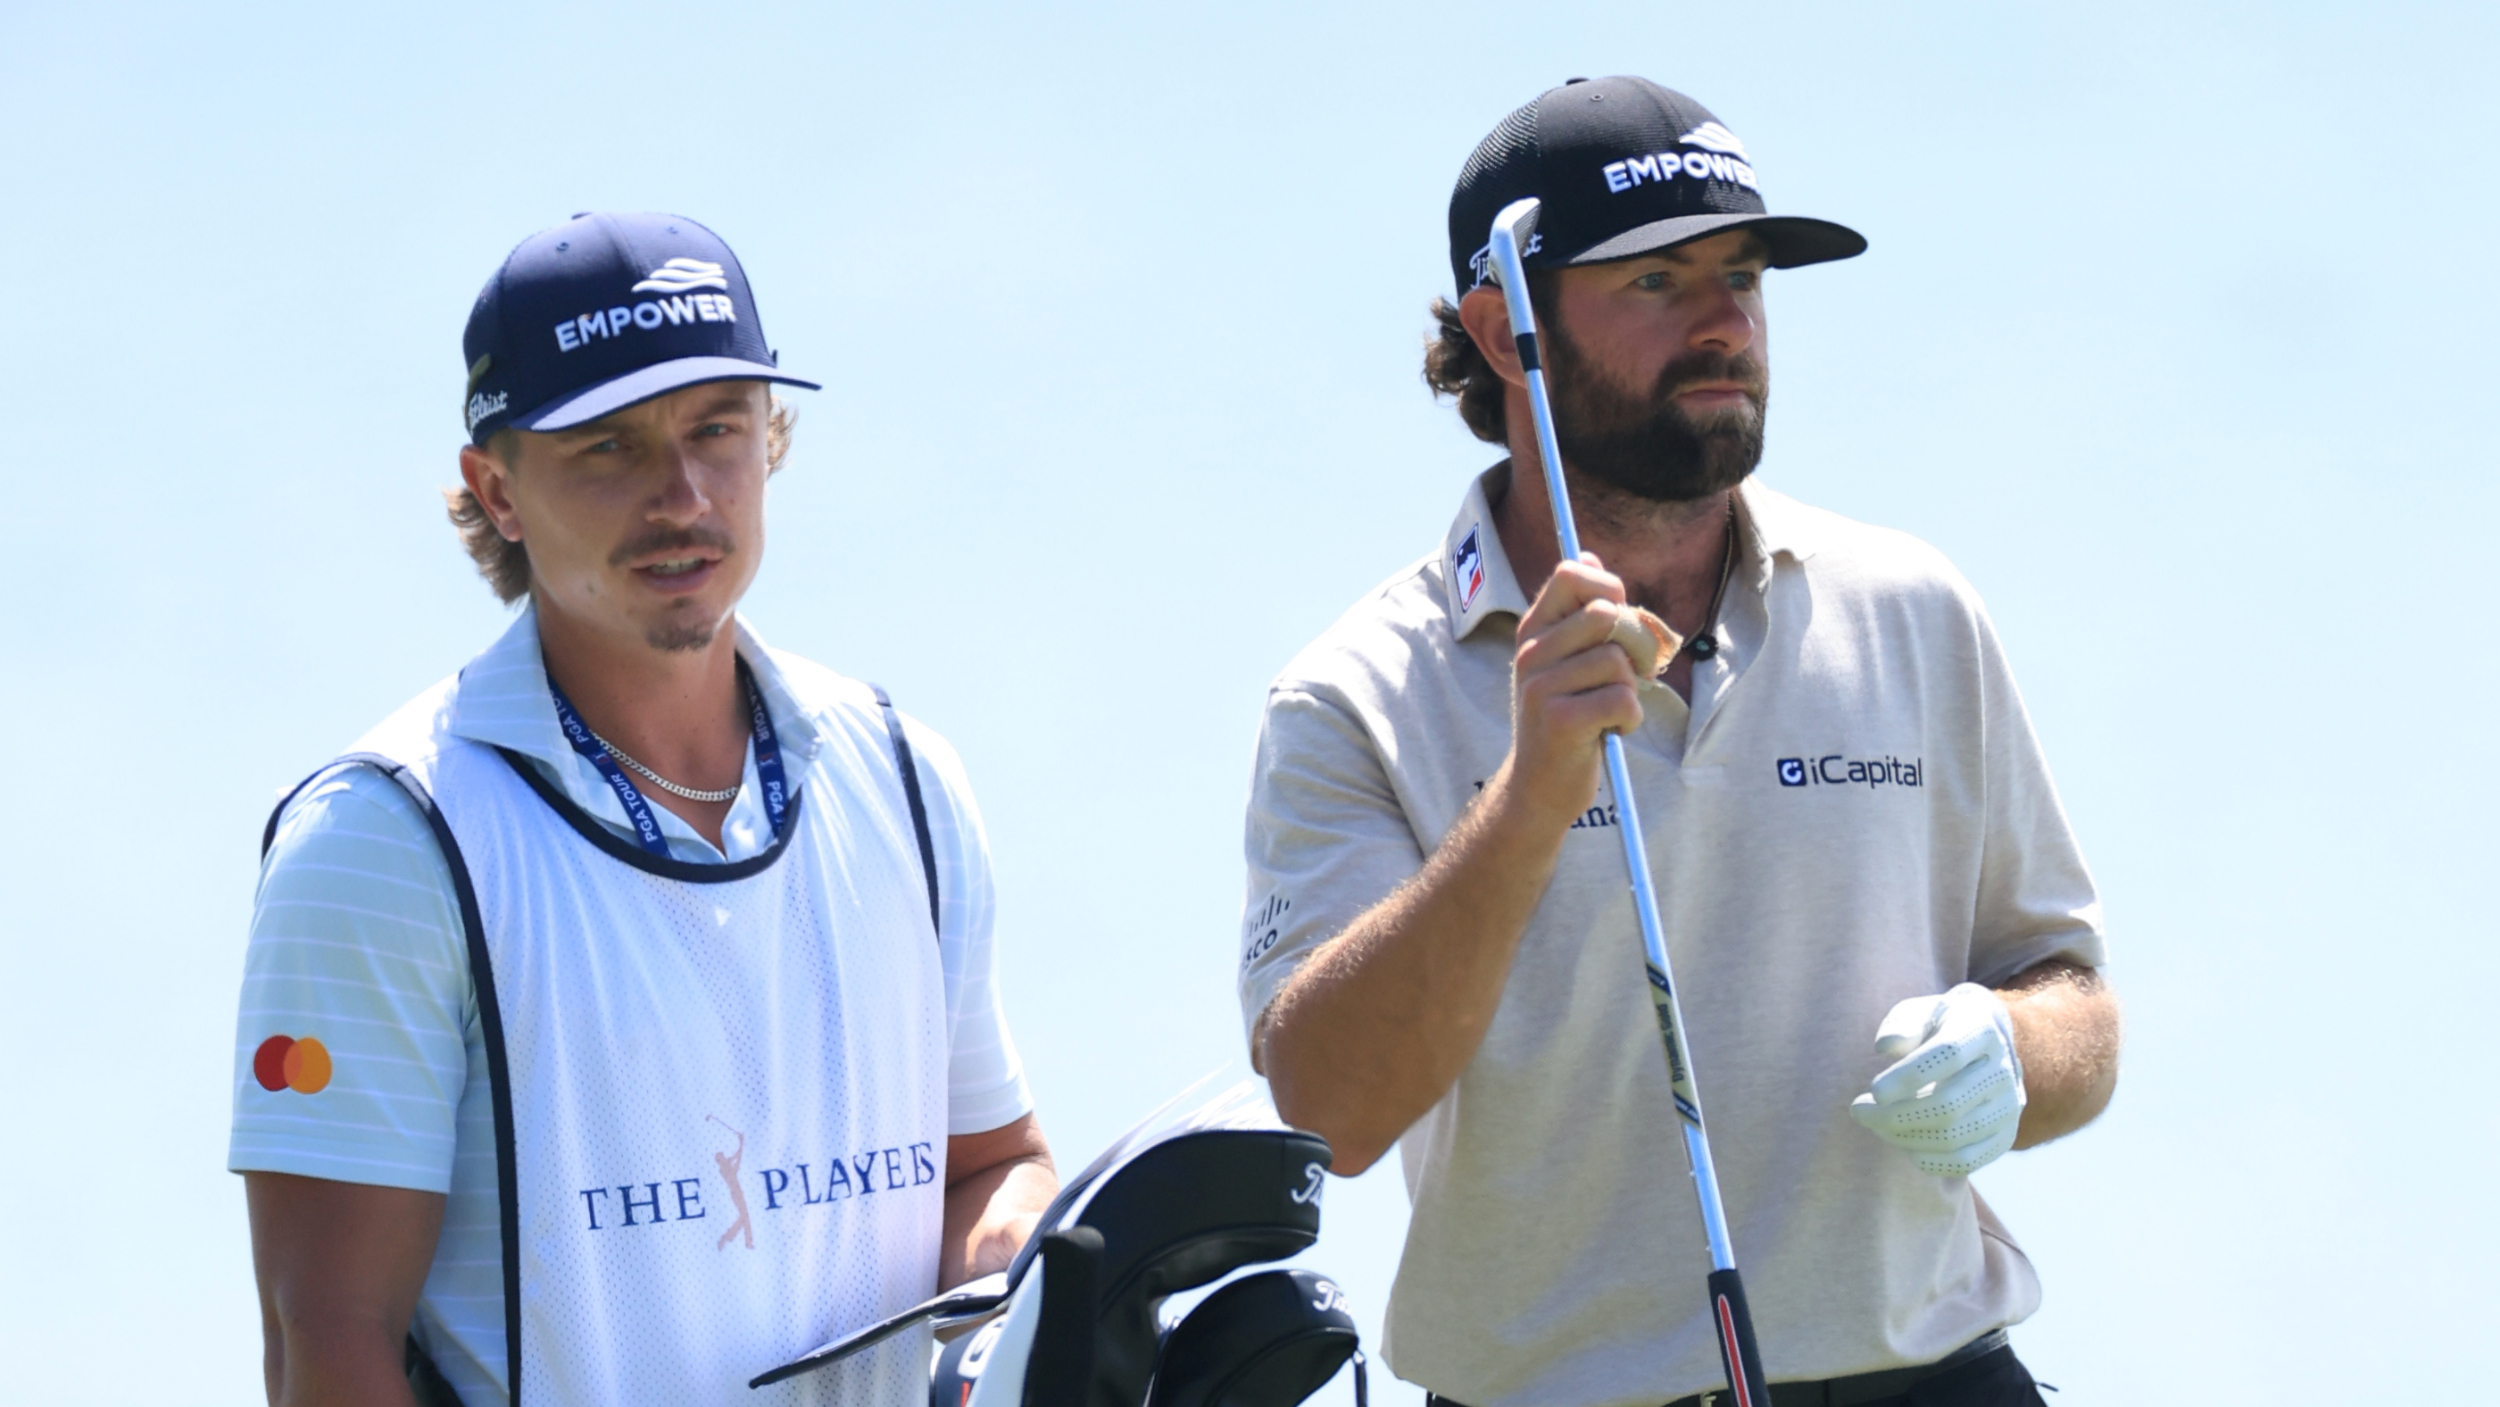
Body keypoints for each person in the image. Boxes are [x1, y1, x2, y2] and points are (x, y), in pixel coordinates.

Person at [1238, 78, 2120, 1407]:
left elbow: (2074, 996)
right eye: (1656, 282)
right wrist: (1529, 798)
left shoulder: (1913, 606)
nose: (1726, 324)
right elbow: (1331, 1107)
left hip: (1932, 1374)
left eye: (1743, 275)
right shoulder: (1353, 692)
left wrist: (2012, 1052)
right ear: (1503, 330)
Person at [229, 212, 1055, 1407]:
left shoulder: (906, 777)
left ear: (769, 440)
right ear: (497, 490)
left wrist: (1013, 1284)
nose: (682, 496)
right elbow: (327, 1344)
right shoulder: (382, 838)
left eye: (716, 428)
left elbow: (987, 1167)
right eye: (608, 447)